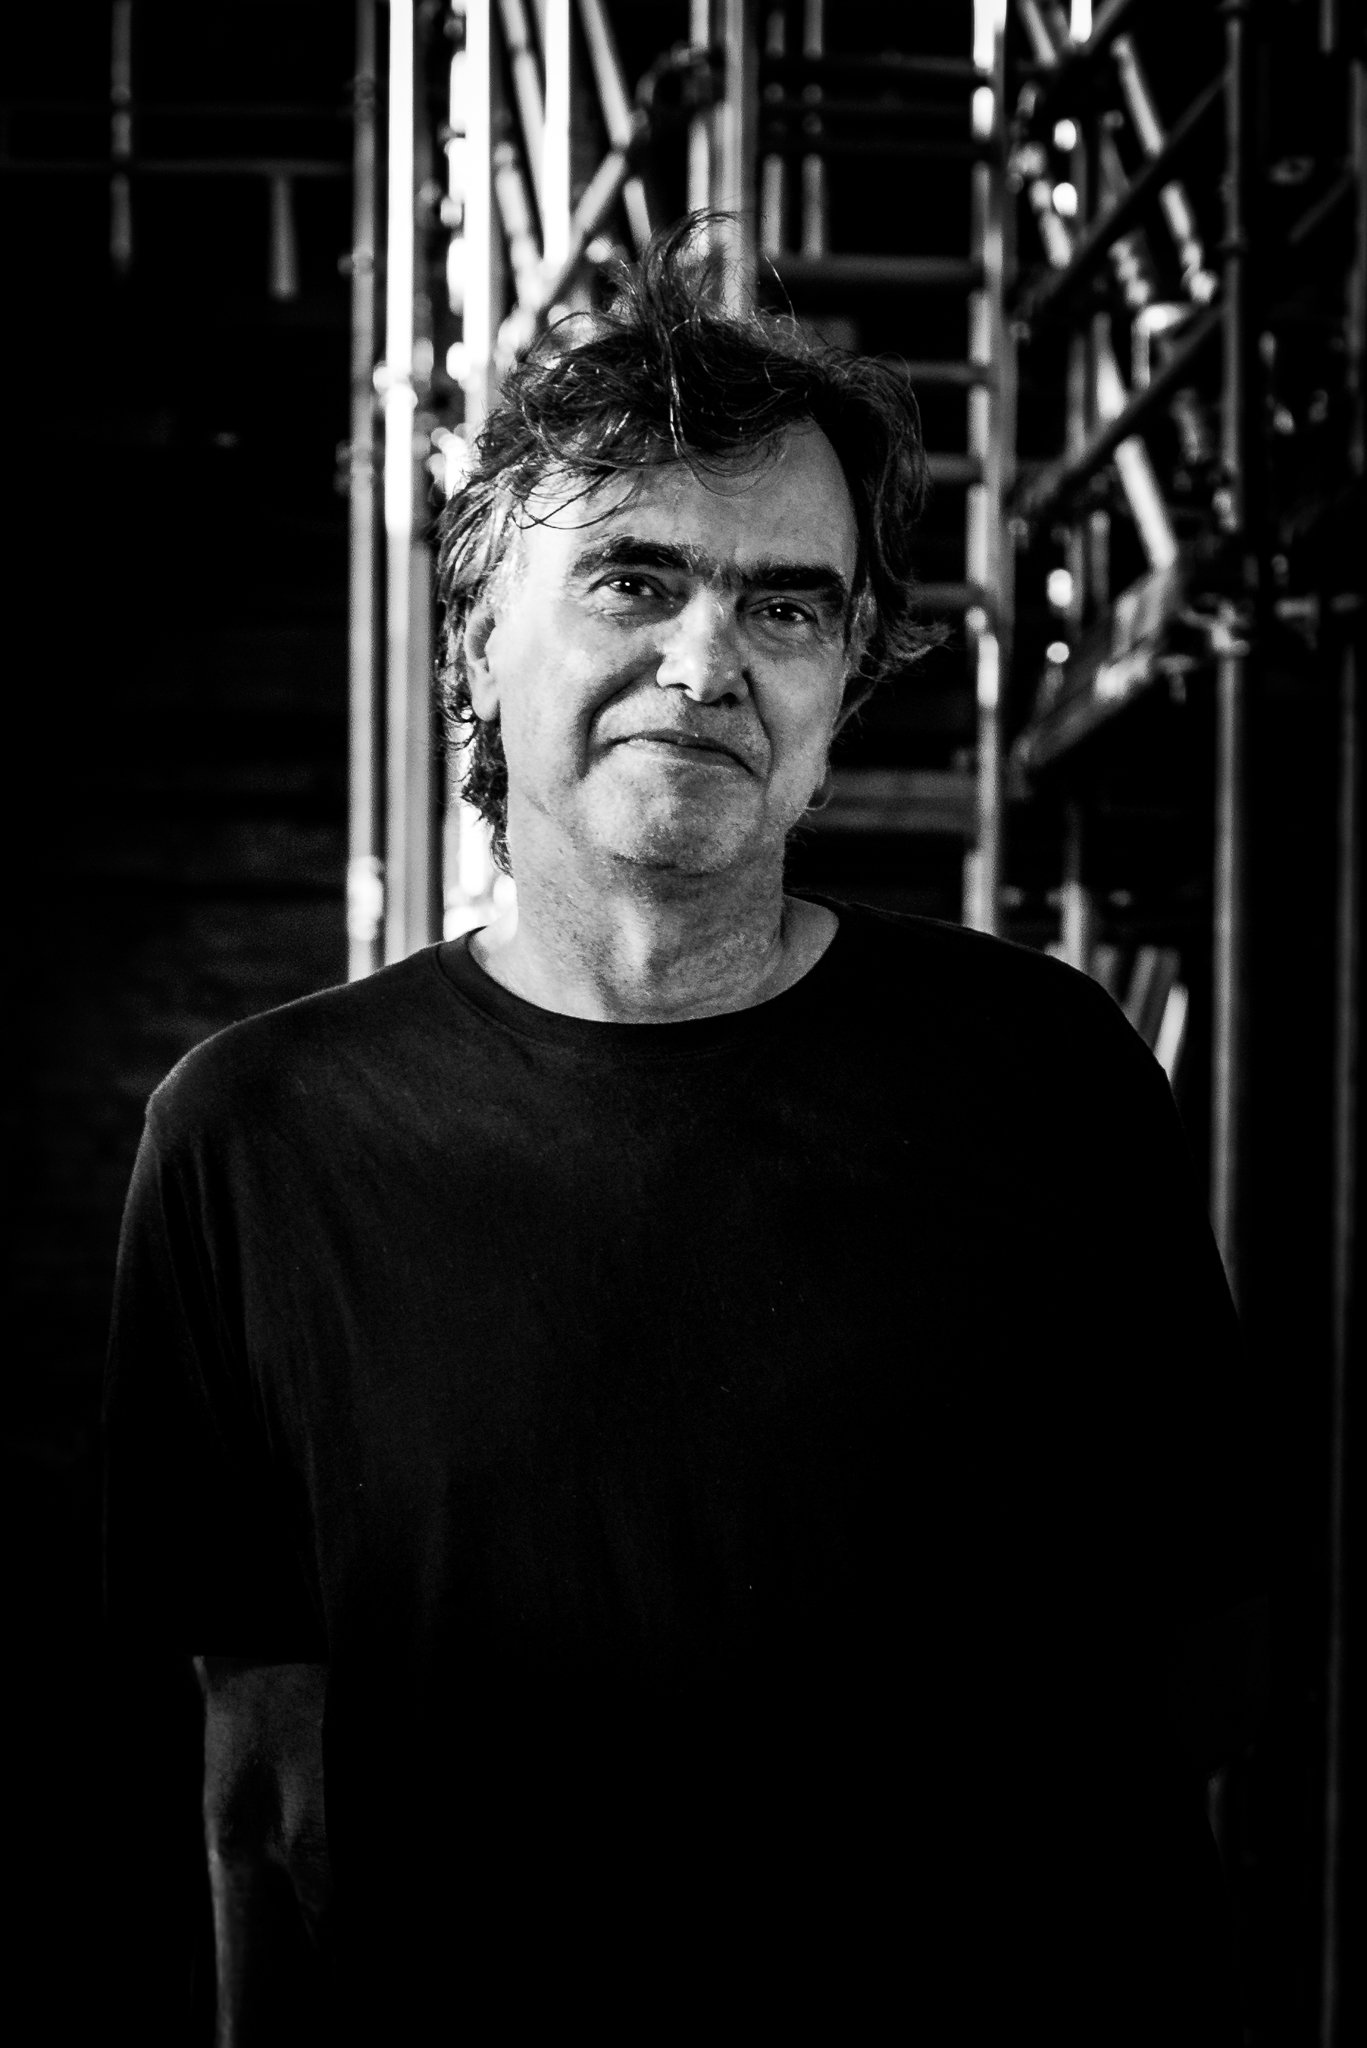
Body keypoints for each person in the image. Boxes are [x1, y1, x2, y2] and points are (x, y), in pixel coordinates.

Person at [104, 217, 1268, 2045]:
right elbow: (264, 1791)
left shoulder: (1044, 1076)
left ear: (844, 679)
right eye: (634, 580)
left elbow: (1187, 1693)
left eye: (787, 605)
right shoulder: (255, 1141)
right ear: (478, 643)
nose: (710, 658)